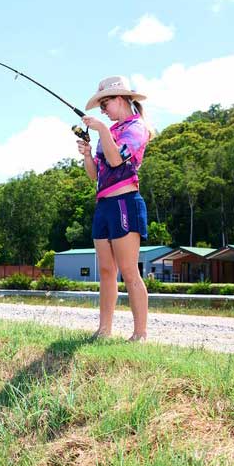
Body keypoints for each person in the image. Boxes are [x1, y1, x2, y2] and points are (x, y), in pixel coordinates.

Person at [77, 76, 152, 341]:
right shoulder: (109, 131)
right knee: (107, 271)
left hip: (125, 204)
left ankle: (140, 334)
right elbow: (95, 174)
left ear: (120, 99)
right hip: (104, 205)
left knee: (130, 271)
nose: (102, 110)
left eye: (105, 104)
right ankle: (104, 330)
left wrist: (102, 131)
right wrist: (87, 155)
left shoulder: (137, 128)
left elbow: (116, 158)